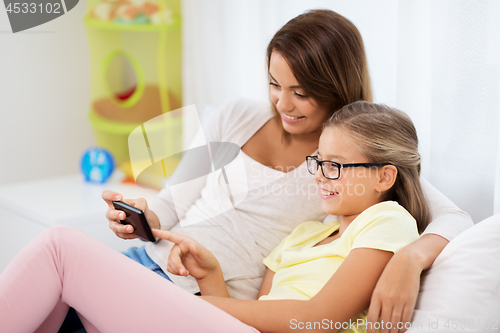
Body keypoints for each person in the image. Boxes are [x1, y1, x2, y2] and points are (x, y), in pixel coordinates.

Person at [67, 9, 470, 332]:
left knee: (60, 271)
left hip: (207, 300)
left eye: (301, 93)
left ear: (338, 88)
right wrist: (142, 217)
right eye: (275, 84)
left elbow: (454, 217)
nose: (283, 103)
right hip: (150, 260)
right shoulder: (236, 115)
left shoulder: (349, 163)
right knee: (60, 299)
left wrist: (407, 261)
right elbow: (172, 205)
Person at [0, 101, 433, 332]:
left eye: (335, 166)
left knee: (62, 248)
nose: (319, 177)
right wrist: (210, 277)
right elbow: (253, 310)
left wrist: (203, 303)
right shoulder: (304, 233)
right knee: (60, 296)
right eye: (318, 162)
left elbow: (315, 320)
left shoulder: (388, 221)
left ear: (384, 176)